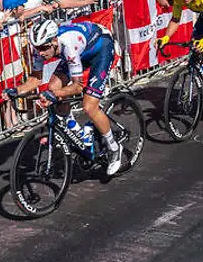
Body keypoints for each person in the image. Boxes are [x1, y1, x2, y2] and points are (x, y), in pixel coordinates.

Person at [9, 18, 124, 177]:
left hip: (101, 47)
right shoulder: (41, 48)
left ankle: (114, 148)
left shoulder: (69, 44)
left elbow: (78, 86)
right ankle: (80, 134)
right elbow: (35, 79)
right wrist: (16, 90)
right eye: (37, 48)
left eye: (44, 48)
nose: (41, 53)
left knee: (89, 106)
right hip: (80, 53)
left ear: (54, 41)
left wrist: (55, 95)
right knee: (52, 87)